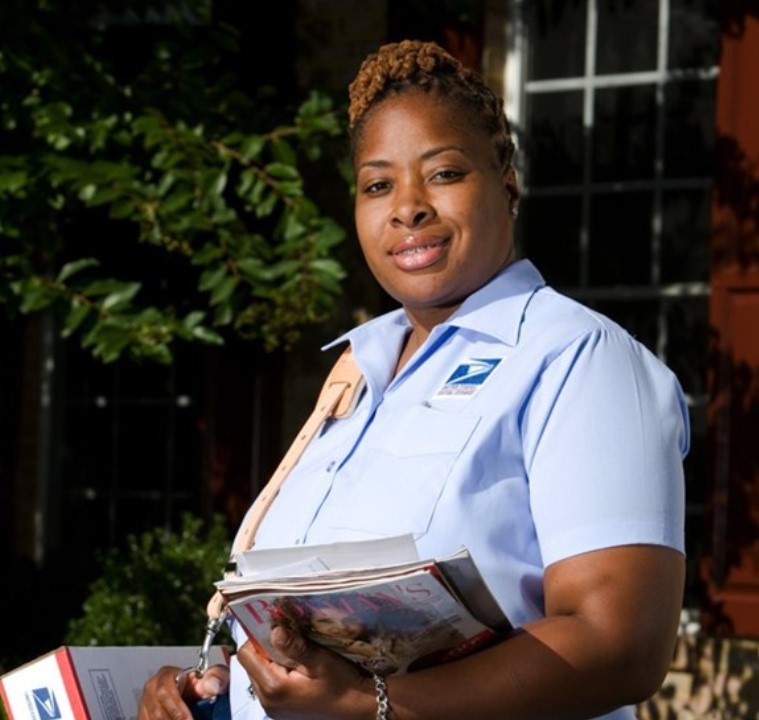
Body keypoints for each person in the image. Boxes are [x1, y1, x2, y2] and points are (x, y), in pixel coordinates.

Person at [138, 38, 689, 720]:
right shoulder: (354, 378)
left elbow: (619, 645)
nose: (407, 207)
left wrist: (372, 706)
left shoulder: (577, 359)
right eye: (377, 184)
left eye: (444, 173)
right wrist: (218, 686)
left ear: (507, 185)